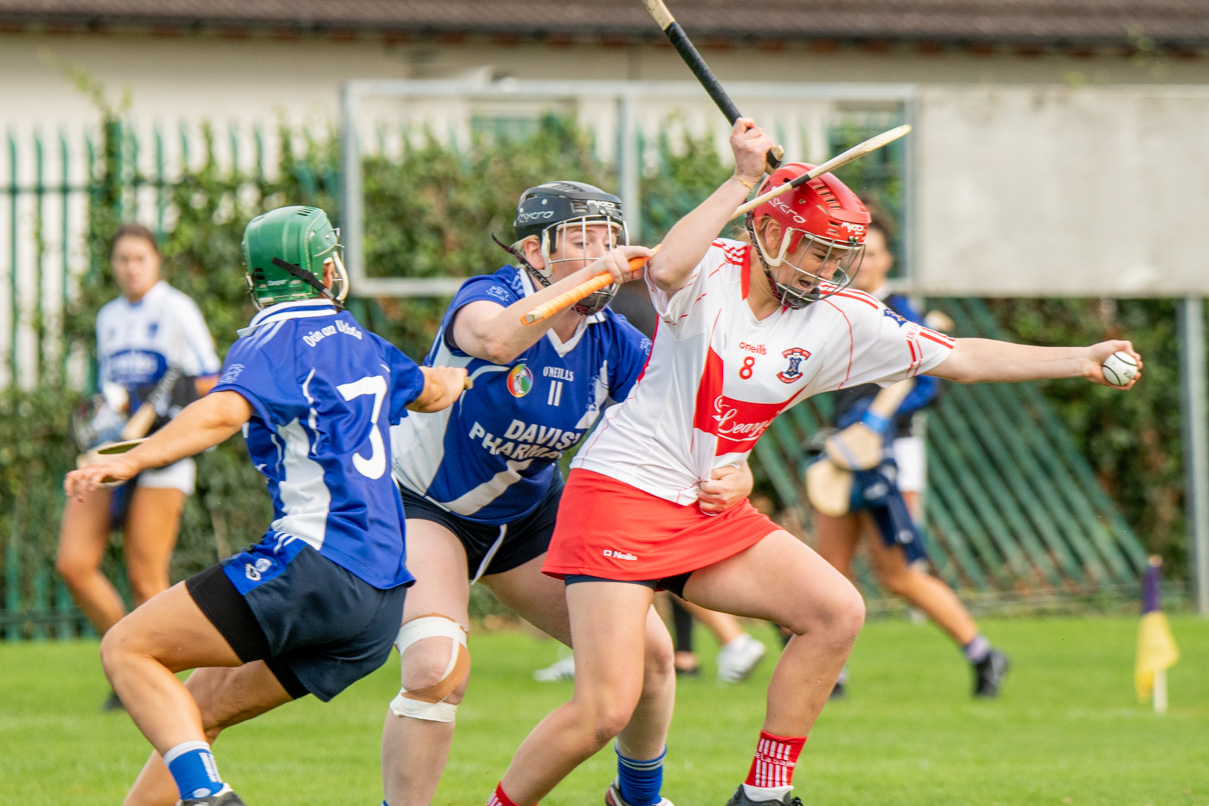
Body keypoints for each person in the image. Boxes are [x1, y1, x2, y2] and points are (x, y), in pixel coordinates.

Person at [482, 118, 1143, 806]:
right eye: (814, 253)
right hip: (620, 494)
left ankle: (764, 793)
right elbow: (667, 268)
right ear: (765, 232)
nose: (827, 273)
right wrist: (743, 177)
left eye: (838, 258)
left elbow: (964, 359)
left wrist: (1078, 360)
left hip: (708, 510)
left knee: (835, 611)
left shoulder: (841, 317)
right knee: (603, 711)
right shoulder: (709, 269)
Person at [63, 205, 468, 806]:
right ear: (321, 269)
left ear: (259, 279)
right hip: (381, 599)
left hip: (318, 566)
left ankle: (208, 798)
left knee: (125, 647)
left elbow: (224, 410)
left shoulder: (271, 337)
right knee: (193, 712)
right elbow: (435, 390)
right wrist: (469, 374)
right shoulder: (363, 340)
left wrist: (134, 456)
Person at [382, 181, 752, 806]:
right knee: (434, 670)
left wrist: (733, 467)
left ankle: (636, 797)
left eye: (609, 238)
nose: (603, 252)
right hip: (428, 506)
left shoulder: (612, 340)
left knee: (651, 657)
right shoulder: (491, 296)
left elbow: (690, 416)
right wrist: (581, 283)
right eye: (582, 241)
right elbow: (496, 341)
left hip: (525, 519)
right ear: (534, 252)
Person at [809, 217, 1008, 698]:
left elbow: (929, 384)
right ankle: (830, 675)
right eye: (857, 254)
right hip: (842, 449)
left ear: (887, 260)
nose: (865, 263)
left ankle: (983, 654)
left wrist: (878, 420)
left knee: (896, 573)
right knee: (828, 567)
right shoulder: (834, 308)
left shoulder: (902, 312)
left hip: (892, 453)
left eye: (874, 253)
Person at [533, 279, 767, 686]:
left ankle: (732, 639)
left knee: (644, 564)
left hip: (631, 455)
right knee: (647, 568)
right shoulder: (652, 306)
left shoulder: (611, 309)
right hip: (661, 447)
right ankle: (684, 650)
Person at [56, 223, 221, 709]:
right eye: (122, 259)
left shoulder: (177, 309)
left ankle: (156, 679)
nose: (130, 268)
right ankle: (129, 660)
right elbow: (114, 394)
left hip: (163, 453)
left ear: (157, 262)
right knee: (73, 562)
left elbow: (211, 380)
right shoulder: (108, 318)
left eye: (139, 259)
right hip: (116, 453)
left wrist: (153, 406)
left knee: (147, 578)